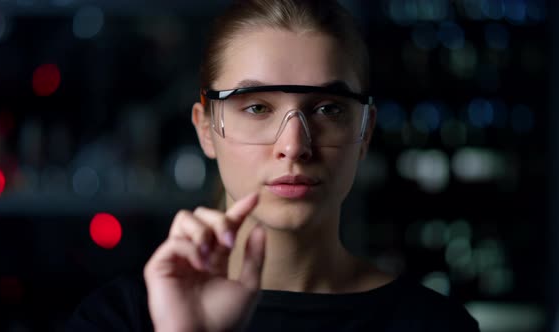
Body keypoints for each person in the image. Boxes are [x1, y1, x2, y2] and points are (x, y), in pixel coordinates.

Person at [66, 0, 480, 331]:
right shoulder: (119, 320)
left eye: (328, 108)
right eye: (258, 107)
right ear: (206, 129)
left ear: (366, 132)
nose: (294, 145)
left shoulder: (436, 325)